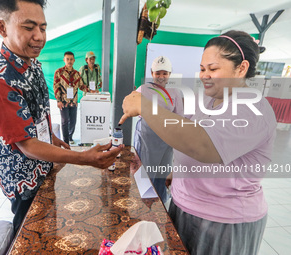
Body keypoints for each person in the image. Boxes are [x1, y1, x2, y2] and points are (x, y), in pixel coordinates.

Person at [119, 30, 276, 255]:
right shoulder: (208, 100)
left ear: (241, 68)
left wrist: (146, 107)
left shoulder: (253, 109)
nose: (205, 76)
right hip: (184, 206)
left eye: (213, 69)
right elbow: (186, 132)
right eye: (202, 69)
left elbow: (202, 145)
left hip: (222, 221)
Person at [0, 0, 123, 234]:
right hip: (24, 178)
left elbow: (36, 116)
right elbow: (26, 145)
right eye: (28, 27)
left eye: (43, 28)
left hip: (43, 167)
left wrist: (52, 137)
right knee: (29, 233)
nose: (39, 36)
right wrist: (84, 158)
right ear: (2, 27)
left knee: (49, 225)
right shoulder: (0, 81)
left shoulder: (32, 65)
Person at [133, 56, 183, 203]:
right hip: (147, 140)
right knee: (146, 175)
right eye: (158, 73)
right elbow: (135, 109)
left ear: (169, 74)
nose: (161, 77)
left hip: (166, 142)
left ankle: (160, 208)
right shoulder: (143, 90)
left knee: (162, 174)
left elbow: (179, 117)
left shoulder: (175, 93)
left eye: (165, 73)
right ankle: (143, 206)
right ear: (151, 73)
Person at [54, 51, 89, 144]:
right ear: (64, 60)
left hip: (74, 102)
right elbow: (56, 86)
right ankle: (65, 141)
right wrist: (58, 100)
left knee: (73, 122)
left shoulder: (77, 74)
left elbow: (81, 86)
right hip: (63, 101)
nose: (69, 61)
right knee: (65, 121)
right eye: (67, 59)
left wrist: (91, 91)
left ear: (74, 60)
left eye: (71, 59)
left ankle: (70, 137)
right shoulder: (59, 72)